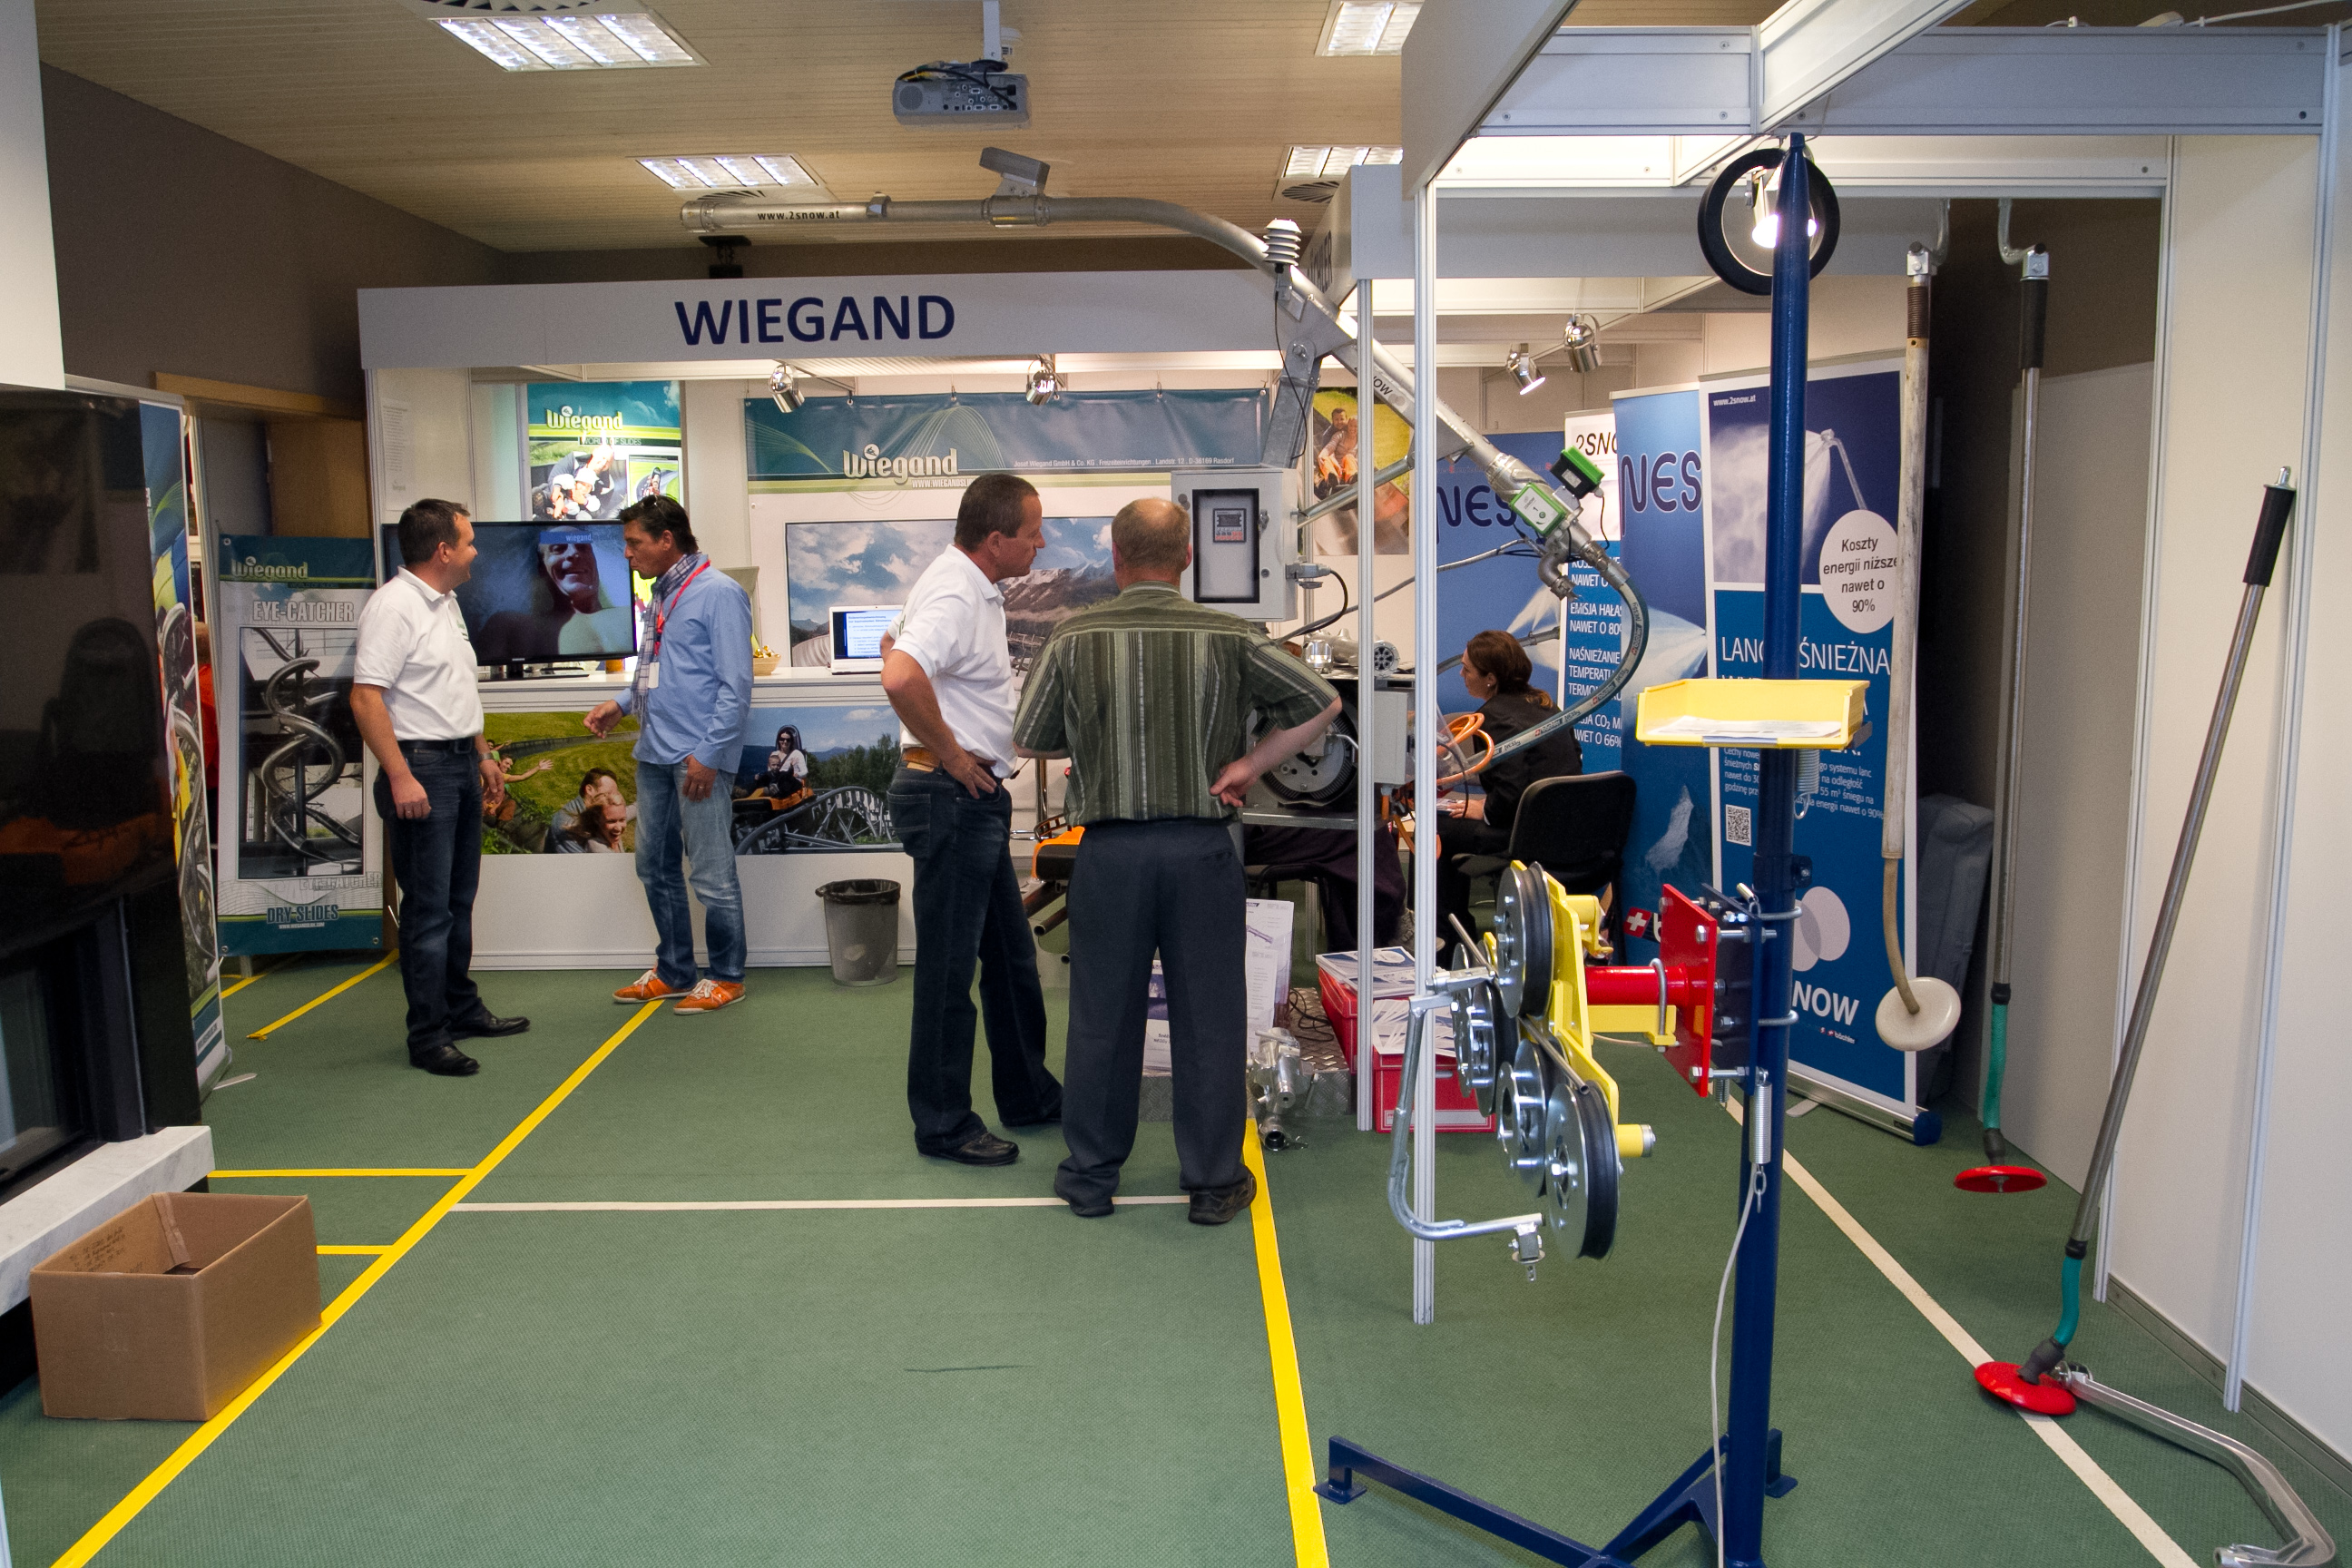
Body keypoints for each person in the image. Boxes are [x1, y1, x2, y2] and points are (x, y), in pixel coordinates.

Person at [1014, 497, 1340, 1224]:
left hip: (1110, 855)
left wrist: (1097, 738)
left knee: (1101, 1017)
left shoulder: (1072, 636)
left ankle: (1091, 1178)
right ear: (1188, 556)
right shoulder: (1230, 634)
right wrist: (1248, 765)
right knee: (1210, 1018)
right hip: (1201, 850)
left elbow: (1029, 739)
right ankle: (1214, 1183)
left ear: (1116, 557)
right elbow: (1321, 702)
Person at [880, 473, 1066, 1167]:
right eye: (1032, 533)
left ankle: (1028, 1095)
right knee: (948, 972)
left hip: (971, 799)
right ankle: (943, 1124)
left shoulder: (964, 584)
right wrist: (954, 756)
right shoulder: (958, 590)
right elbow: (899, 674)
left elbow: (891, 643)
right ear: (995, 539)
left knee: (1012, 963)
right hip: (951, 796)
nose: (1041, 544)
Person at [349, 498, 530, 1076]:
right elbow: (365, 698)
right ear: (443, 550)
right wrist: (400, 775)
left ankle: (461, 1010)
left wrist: (483, 754)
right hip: (420, 770)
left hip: (457, 765)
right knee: (428, 912)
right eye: (469, 542)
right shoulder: (394, 607)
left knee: (457, 902)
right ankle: (427, 1037)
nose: (476, 551)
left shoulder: (446, 604)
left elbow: (452, 691)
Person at [584, 496, 753, 1014]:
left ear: (666, 540)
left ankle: (726, 976)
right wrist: (619, 704)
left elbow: (736, 686)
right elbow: (658, 669)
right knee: (654, 867)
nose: (627, 553)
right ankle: (676, 970)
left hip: (696, 759)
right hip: (654, 754)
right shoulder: (663, 593)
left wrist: (709, 755)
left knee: (710, 873)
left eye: (633, 543)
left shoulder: (718, 593)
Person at [1435, 628, 1585, 943]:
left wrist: (1485, 810)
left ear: (1491, 678)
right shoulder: (1545, 704)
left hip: (1527, 836)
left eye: (1467, 669)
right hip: (1569, 831)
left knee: (1436, 828)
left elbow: (1509, 795)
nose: (1461, 674)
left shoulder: (1491, 718)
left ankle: (1444, 936)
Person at [477, 527, 634, 663]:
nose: (574, 553)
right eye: (559, 549)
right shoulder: (511, 626)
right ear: (541, 567)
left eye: (583, 547)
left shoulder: (630, 617)